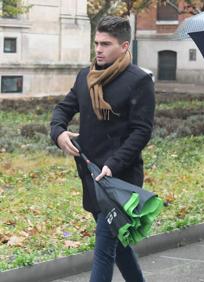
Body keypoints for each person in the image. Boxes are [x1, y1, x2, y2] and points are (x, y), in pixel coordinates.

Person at [50, 16, 154, 282]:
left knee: (104, 247)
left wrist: (114, 164)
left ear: (124, 45)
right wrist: (59, 132)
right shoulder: (86, 76)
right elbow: (64, 108)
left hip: (120, 178)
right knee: (118, 242)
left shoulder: (140, 81)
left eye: (106, 44)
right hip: (91, 173)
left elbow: (141, 131)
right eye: (97, 43)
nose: (98, 49)